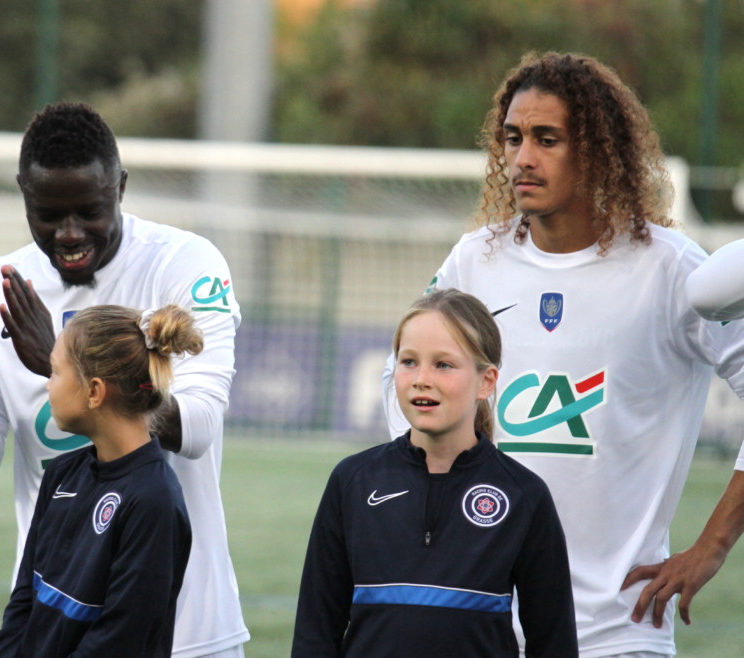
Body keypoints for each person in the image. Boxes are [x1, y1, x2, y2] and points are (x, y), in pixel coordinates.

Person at [383, 51, 744, 656]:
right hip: (483, 619)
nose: (523, 158)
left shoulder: (670, 269)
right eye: (514, 138)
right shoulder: (475, 260)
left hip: (617, 632)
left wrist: (712, 546)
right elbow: (404, 392)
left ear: (598, 151)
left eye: (547, 139)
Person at [0, 101, 249, 657]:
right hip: (53, 619)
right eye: (47, 214)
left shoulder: (185, 263)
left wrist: (68, 367)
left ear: (120, 188)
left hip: (186, 626)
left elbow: (200, 425)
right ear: (23, 195)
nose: (68, 233)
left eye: (88, 210)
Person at [298, 289, 576, 657]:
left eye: (443, 365)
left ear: (486, 381)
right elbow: (316, 630)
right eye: (408, 361)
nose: (421, 379)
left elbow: (553, 641)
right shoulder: (353, 480)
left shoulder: (524, 495)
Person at [0, 304, 195, 657]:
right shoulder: (61, 475)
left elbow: (121, 638)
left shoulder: (153, 500)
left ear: (94, 391)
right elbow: (24, 598)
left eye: (55, 372)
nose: (47, 384)